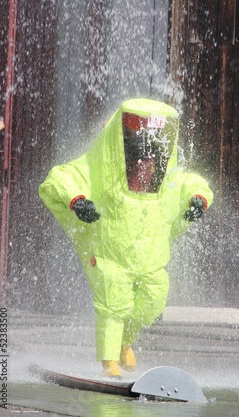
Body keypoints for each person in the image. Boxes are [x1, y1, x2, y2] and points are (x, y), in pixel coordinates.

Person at [39, 98, 213, 379]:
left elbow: (192, 183)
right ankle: (109, 362)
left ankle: (124, 343)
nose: (146, 164)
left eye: (151, 158)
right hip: (109, 253)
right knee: (113, 302)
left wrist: (199, 200)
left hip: (150, 259)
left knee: (154, 298)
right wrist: (77, 201)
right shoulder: (101, 170)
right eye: (139, 158)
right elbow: (61, 178)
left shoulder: (166, 179)